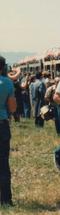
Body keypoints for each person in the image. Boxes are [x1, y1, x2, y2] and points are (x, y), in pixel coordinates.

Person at [0, 56, 16, 206]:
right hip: (2, 125)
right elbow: (12, 108)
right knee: (3, 163)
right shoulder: (7, 83)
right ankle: (5, 200)